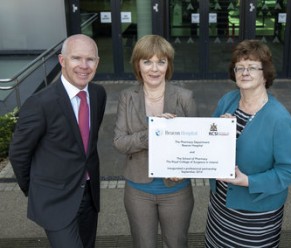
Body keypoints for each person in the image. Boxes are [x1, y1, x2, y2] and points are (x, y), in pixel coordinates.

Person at [9, 34, 106, 247]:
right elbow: (18, 154)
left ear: (97, 63)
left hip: (89, 196)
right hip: (55, 200)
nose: (84, 66)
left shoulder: (99, 94)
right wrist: (36, 190)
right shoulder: (40, 103)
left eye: (90, 59)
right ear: (62, 61)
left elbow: (87, 146)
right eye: (76, 58)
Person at [204, 40, 291, 247]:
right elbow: (208, 144)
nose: (244, 72)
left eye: (252, 67)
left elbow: (289, 171)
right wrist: (216, 131)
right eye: (239, 67)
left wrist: (248, 181)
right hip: (220, 207)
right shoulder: (227, 101)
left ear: (265, 74)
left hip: (256, 216)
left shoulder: (279, 119)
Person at [113, 34, 197, 248]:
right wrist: (154, 132)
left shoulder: (184, 97)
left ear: (168, 65)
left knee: (176, 243)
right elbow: (120, 142)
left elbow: (196, 145)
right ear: (137, 64)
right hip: (138, 190)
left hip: (176, 190)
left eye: (161, 61)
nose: (154, 68)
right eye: (147, 61)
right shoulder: (127, 97)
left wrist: (186, 169)